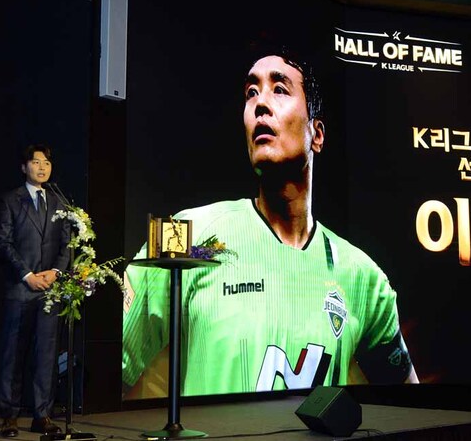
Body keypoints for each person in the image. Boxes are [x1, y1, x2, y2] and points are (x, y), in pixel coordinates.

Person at [122, 43, 418, 398]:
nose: (260, 103)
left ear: (317, 134)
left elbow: (410, 404)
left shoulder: (363, 277)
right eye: (251, 92)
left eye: (279, 89)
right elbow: (100, 364)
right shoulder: (184, 232)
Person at [0, 144, 71, 437]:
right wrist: (27, 275)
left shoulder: (59, 202)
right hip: (21, 288)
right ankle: (9, 416)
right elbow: (3, 243)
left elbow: (67, 245)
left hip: (49, 290)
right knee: (13, 355)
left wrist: (55, 272)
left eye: (47, 163)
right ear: (24, 167)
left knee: (46, 356)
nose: (42, 167)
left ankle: (42, 415)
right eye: (36, 162)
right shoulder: (10, 200)